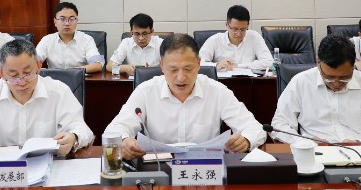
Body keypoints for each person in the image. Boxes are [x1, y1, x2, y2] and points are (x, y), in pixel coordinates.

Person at [105, 33, 266, 158]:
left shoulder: (217, 91)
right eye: (173, 70)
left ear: (199, 64)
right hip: (159, 170)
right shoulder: (146, 91)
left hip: (206, 172)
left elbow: (256, 128)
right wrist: (124, 141)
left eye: (188, 69)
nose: (181, 78)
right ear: (161, 66)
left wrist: (246, 140)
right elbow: (113, 131)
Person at [0, 38, 93, 163]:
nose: (22, 82)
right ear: (1, 74)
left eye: (27, 73)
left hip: (51, 166)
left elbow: (82, 129)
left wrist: (73, 137)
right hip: (4, 170)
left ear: (39, 66)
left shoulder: (59, 91)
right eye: (13, 76)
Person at [270, 34, 361, 144]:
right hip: (314, 152)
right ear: (318, 63)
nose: (336, 83)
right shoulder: (301, 82)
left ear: (354, 65)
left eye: (344, 78)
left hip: (359, 152)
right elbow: (279, 125)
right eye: (329, 78)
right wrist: (305, 142)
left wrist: (359, 144)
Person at [198, 5, 273, 71]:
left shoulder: (254, 37)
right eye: (235, 29)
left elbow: (269, 62)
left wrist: (239, 66)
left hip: (248, 81)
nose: (239, 34)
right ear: (227, 25)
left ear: (248, 25)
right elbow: (198, 63)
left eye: (243, 29)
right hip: (221, 81)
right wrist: (216, 65)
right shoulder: (215, 40)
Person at [36, 2, 104, 74]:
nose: (67, 23)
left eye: (71, 19)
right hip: (53, 79)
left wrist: (69, 73)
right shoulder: (47, 40)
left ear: (76, 21)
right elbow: (33, 62)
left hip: (79, 80)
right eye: (62, 19)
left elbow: (98, 65)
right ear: (55, 22)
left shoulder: (87, 39)